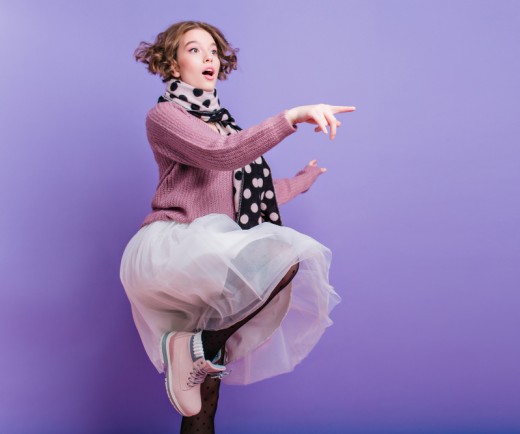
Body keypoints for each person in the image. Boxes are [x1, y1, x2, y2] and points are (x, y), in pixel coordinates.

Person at [120, 20, 354, 433]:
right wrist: (292, 117)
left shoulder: (224, 123)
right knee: (285, 255)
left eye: (213, 50)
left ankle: (195, 351)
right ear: (172, 65)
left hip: (216, 255)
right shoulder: (166, 117)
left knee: (202, 393)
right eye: (194, 49)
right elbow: (220, 155)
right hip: (178, 248)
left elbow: (250, 194)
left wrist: (303, 181)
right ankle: (192, 347)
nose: (208, 56)